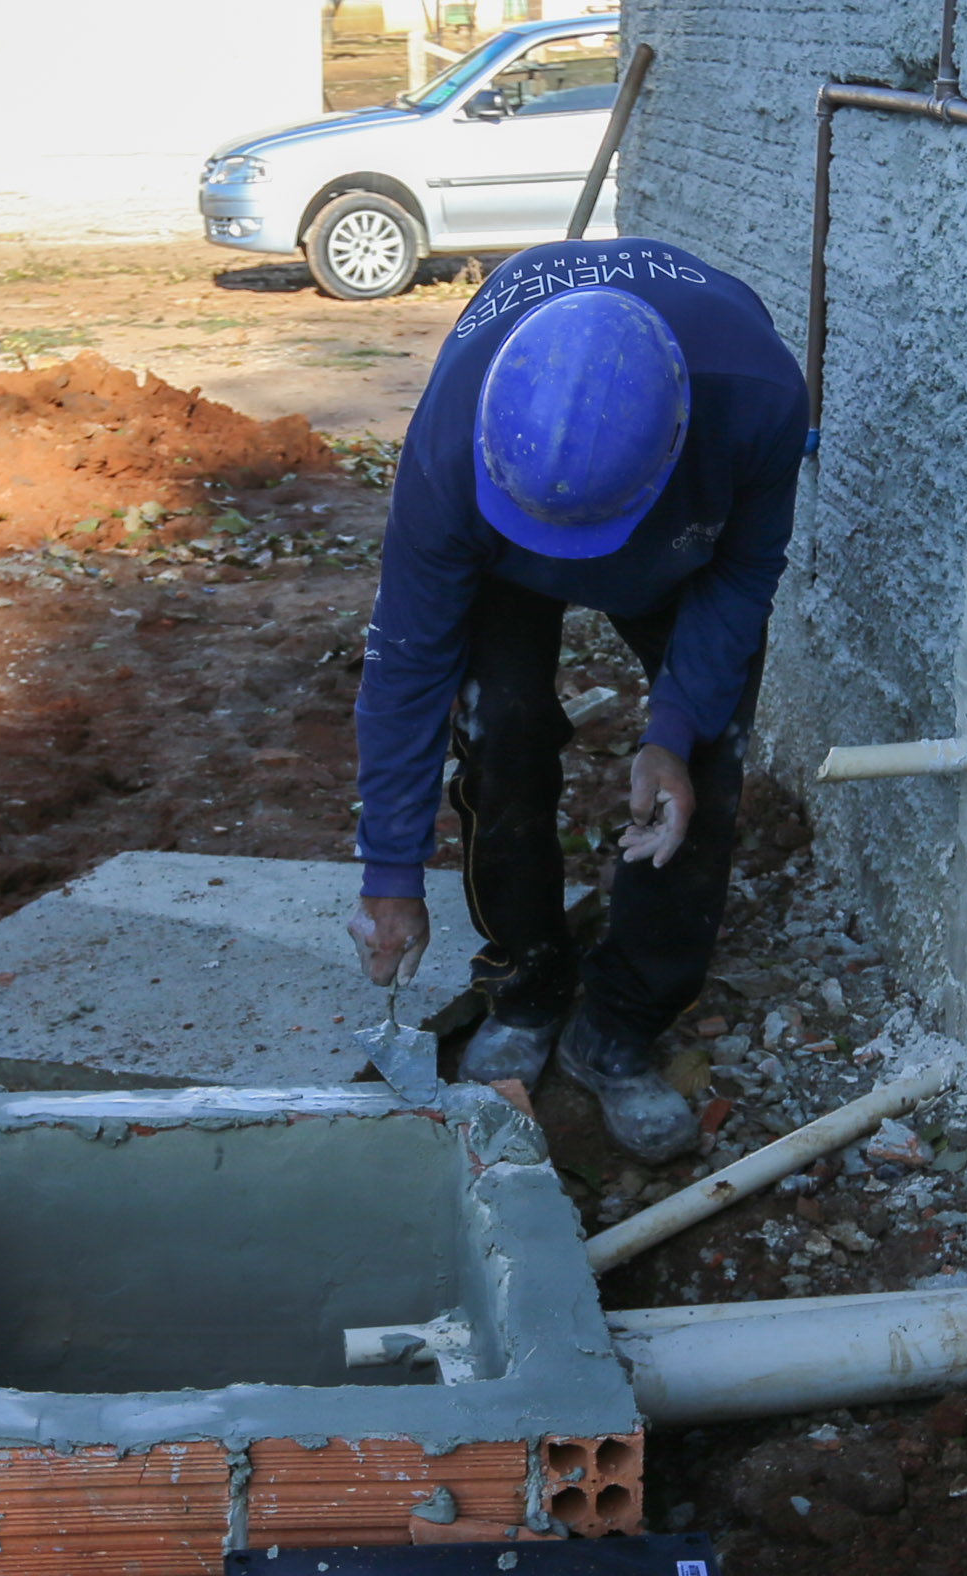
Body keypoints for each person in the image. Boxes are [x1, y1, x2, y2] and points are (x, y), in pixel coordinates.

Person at [345, 238, 808, 1161]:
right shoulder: (452, 443)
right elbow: (406, 664)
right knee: (499, 727)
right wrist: (389, 874)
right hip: (503, 542)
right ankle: (526, 980)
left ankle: (620, 1024)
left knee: (702, 770)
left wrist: (671, 731)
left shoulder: (757, 401)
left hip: (674, 551)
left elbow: (746, 572)